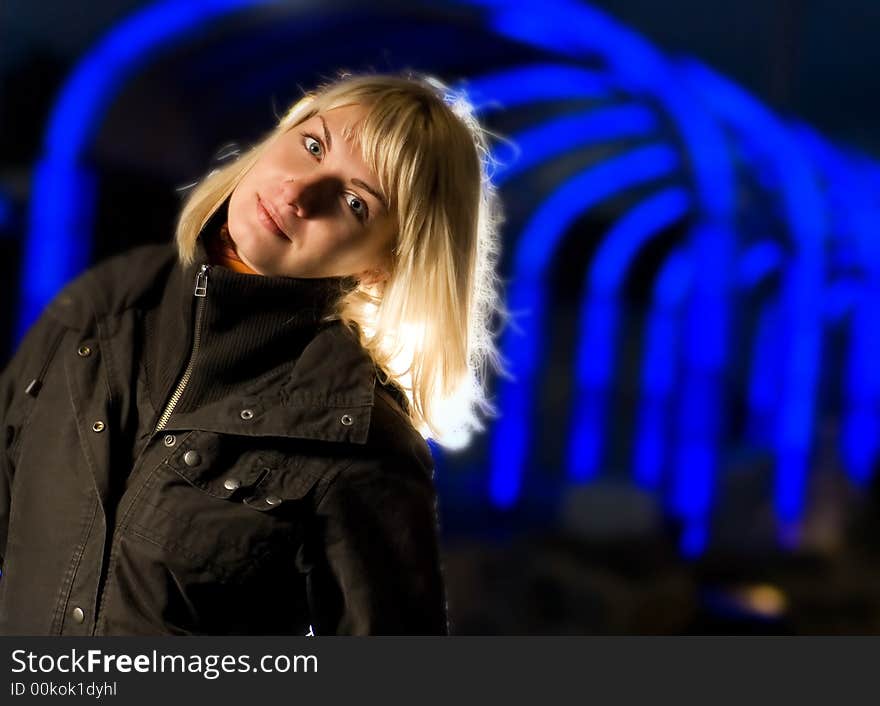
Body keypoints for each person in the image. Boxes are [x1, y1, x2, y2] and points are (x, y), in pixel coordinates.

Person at [0, 72, 504, 635]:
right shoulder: (91, 316)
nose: (298, 194)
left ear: (380, 265)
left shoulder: (360, 440)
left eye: (355, 202)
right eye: (313, 146)